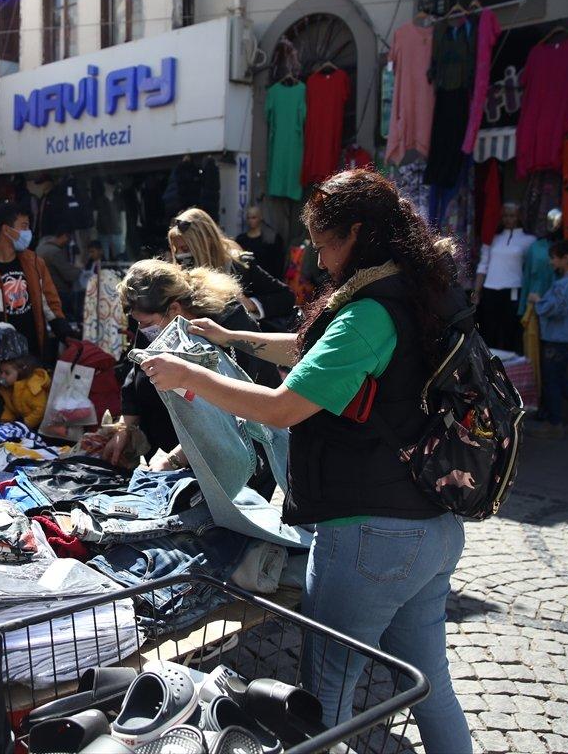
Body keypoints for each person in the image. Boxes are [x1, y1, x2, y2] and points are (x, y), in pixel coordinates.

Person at [138, 169, 472, 754]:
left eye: (323, 243)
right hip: (431, 525)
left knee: (325, 703)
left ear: (357, 233)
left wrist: (190, 374)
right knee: (431, 688)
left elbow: (282, 409)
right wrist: (233, 339)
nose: (319, 260)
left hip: (370, 532)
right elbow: (313, 352)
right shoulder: (416, 290)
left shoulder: (369, 310)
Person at [98, 259, 281, 473]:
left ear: (174, 307)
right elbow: (138, 373)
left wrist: (174, 460)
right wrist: (126, 428)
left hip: (245, 453)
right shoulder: (157, 323)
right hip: (185, 447)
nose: (143, 330)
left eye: (146, 324)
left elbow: (229, 412)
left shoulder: (227, 326)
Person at [0, 200, 70, 364]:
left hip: (33, 357)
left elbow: (51, 303)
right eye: (24, 226)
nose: (28, 232)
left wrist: (64, 331)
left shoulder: (35, 263)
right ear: (6, 230)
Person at [169, 207, 298, 332]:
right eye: (176, 249)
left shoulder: (239, 266)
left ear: (206, 242)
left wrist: (251, 304)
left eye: (185, 249)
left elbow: (286, 297)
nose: (179, 255)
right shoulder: (177, 279)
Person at [528, 239, 568, 439]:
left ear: (566, 259)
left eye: (554, 258)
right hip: (565, 337)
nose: (551, 262)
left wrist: (538, 301)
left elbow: (555, 308)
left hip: (560, 337)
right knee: (559, 378)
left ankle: (555, 423)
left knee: (552, 379)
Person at [474, 201, 536, 352]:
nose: (509, 219)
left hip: (513, 290)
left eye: (512, 216)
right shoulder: (493, 239)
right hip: (490, 289)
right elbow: (483, 265)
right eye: (506, 216)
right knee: (489, 331)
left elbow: (530, 269)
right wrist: (477, 291)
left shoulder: (529, 241)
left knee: (510, 331)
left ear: (519, 217)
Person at [0, 323, 51, 428]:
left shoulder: (33, 386)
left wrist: (25, 424)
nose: (2, 376)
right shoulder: (8, 388)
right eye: (1, 372)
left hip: (37, 425)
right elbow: (10, 408)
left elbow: (41, 409)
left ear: (21, 370)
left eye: (7, 373)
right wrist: (4, 423)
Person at [36, 227, 83, 319]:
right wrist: (80, 270)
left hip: (43, 290)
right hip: (58, 291)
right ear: (64, 236)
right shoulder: (55, 252)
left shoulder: (41, 247)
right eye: (69, 239)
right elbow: (69, 275)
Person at [235, 205, 284, 278]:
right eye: (248, 218)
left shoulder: (271, 240)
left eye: (254, 217)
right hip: (247, 279)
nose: (251, 220)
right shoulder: (241, 239)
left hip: (266, 280)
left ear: (260, 217)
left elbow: (278, 263)